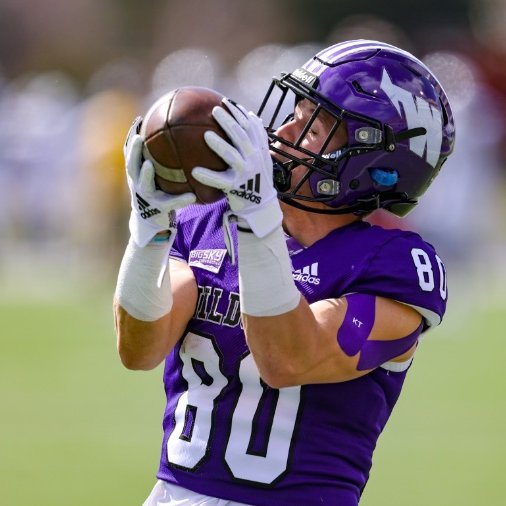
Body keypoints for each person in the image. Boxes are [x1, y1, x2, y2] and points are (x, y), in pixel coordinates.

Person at [114, 39, 455, 506]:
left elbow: (287, 360)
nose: (287, 129)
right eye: (295, 109)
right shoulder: (206, 226)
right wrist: (147, 235)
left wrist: (258, 226)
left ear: (372, 158)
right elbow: (139, 349)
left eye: (316, 123)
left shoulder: (394, 265)